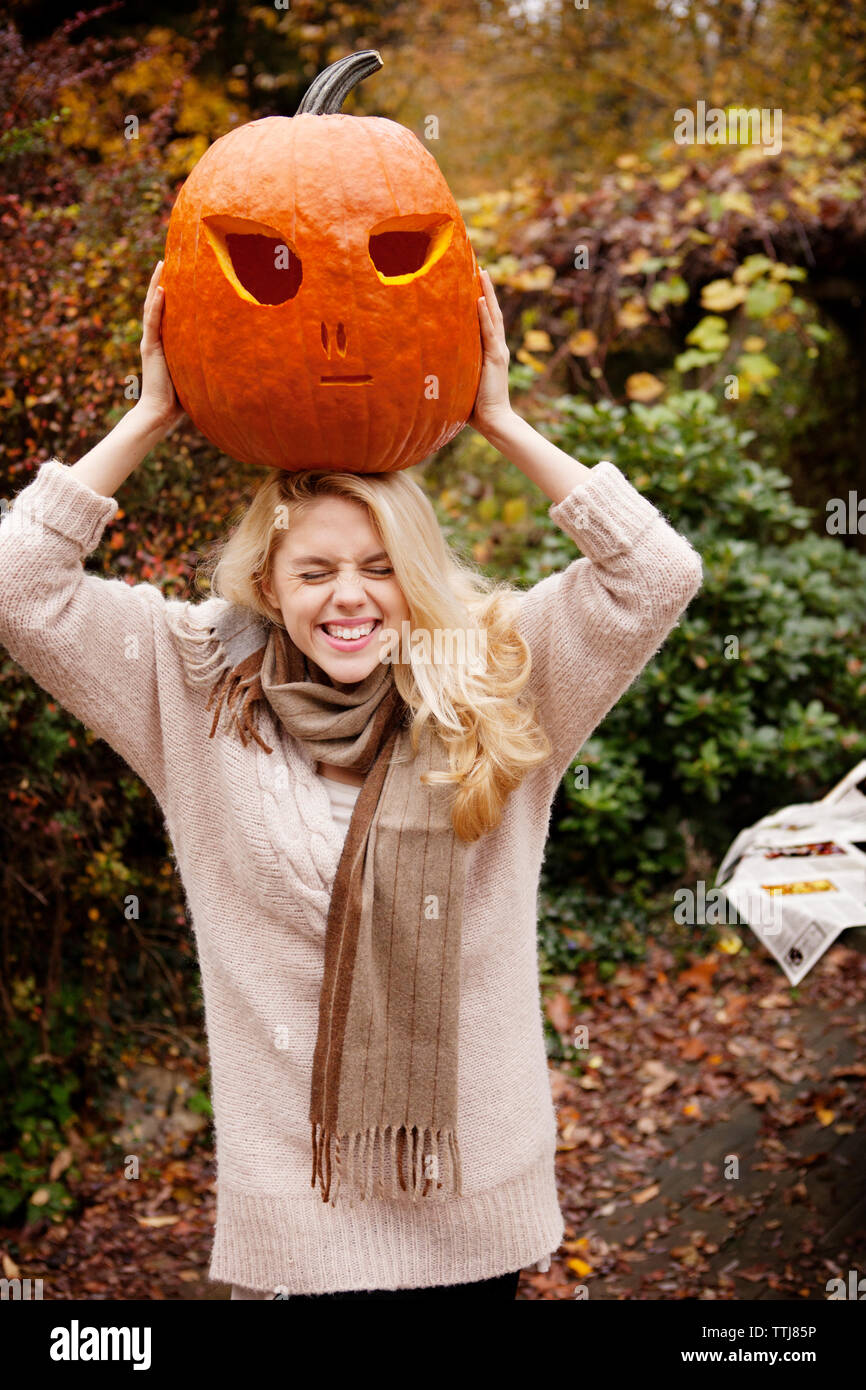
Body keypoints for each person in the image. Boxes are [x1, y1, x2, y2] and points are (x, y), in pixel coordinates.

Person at [0, 259, 703, 1301]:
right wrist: (150, 415)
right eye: (315, 570)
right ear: (267, 583)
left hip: (476, 1197)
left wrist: (498, 419)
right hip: (301, 1216)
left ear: (413, 576)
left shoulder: (495, 677)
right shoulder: (199, 690)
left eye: (379, 568)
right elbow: (22, 590)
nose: (349, 599)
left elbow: (655, 576)